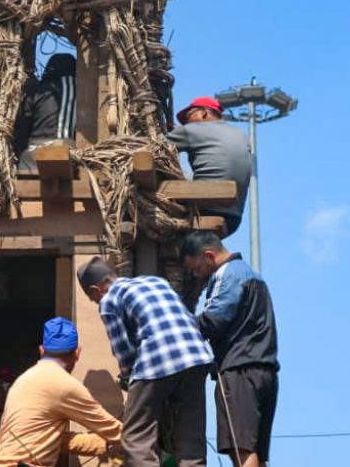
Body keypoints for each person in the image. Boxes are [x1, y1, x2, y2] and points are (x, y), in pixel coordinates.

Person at [77, 257, 213, 467]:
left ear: (96, 290)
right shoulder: (156, 282)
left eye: (92, 297)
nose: (95, 301)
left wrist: (128, 378)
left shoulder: (109, 300)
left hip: (158, 359)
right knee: (190, 436)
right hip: (197, 356)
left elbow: (124, 353)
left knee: (136, 437)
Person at [180, 232, 279, 467]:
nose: (196, 276)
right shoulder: (251, 275)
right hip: (264, 371)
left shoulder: (228, 274)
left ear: (209, 255)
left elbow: (214, 320)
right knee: (254, 452)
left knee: (242, 450)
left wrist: (177, 326)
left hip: (240, 371)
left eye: (195, 269)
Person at [0, 317, 122, 467]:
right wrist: (142, 436)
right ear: (77, 353)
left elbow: (51, 438)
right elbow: (113, 430)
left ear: (41, 351)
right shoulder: (65, 385)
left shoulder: (22, 381)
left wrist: (106, 445)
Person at [167, 96, 252, 236]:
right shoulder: (241, 135)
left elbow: (155, 147)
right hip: (233, 218)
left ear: (203, 113)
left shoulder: (191, 130)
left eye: (188, 118)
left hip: (203, 209)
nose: (185, 124)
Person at [14, 53, 77, 170]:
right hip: (68, 152)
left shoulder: (36, 91)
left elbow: (22, 128)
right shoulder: (79, 88)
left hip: (32, 156)